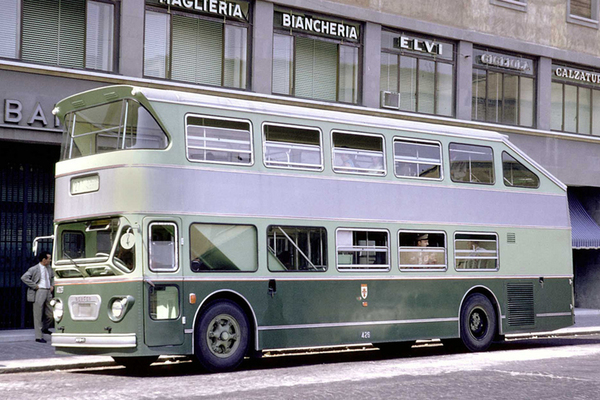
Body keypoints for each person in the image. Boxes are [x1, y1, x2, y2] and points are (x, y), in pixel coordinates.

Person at [21, 251, 54, 343]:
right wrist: (35, 286)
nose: (50, 260)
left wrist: (52, 285)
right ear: (44, 260)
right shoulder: (34, 269)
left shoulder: (49, 268)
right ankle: (38, 336)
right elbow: (24, 277)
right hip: (39, 291)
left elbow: (53, 277)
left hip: (48, 291)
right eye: (49, 258)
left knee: (51, 313)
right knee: (38, 314)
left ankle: (45, 328)